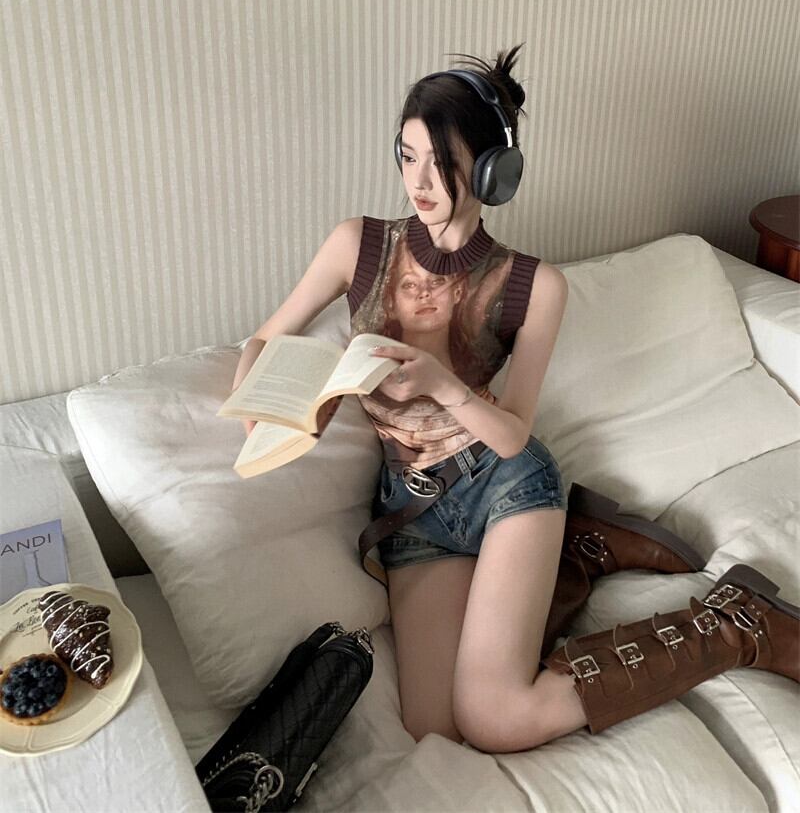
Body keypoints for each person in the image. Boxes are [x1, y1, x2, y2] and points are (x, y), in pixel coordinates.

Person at [232, 44, 799, 754]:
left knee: (495, 718)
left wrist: (442, 383)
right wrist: (260, 407)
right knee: (434, 725)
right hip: (415, 508)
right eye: (407, 156)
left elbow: (512, 433)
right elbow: (265, 339)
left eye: (442, 162)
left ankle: (736, 625)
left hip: (504, 482)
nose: (419, 181)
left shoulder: (535, 286)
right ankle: (577, 555)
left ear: (493, 172)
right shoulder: (358, 245)